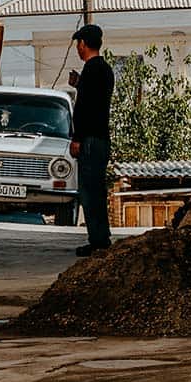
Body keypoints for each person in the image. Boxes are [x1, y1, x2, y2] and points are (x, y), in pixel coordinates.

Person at [68, 24, 115, 255]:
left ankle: (97, 239)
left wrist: (77, 138)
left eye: (79, 43)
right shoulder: (104, 69)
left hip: (90, 140)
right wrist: (79, 84)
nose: (78, 48)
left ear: (84, 44)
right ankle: (101, 236)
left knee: (89, 191)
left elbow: (86, 108)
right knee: (97, 189)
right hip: (101, 138)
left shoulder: (92, 70)